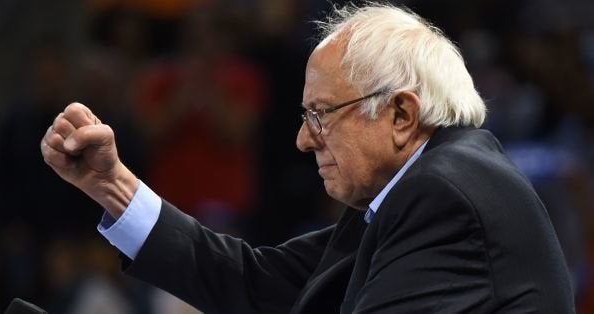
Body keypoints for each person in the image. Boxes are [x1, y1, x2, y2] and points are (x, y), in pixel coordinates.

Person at [40, 3, 575, 313]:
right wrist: (112, 186)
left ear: (402, 115)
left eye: (321, 113)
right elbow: (256, 282)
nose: (303, 138)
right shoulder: (415, 191)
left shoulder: (444, 195)